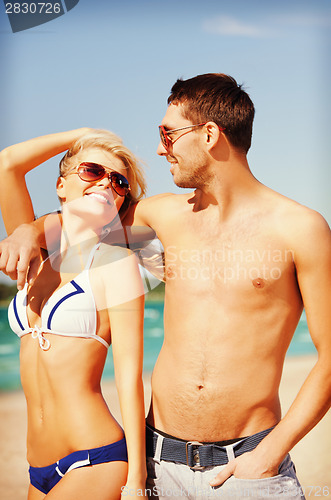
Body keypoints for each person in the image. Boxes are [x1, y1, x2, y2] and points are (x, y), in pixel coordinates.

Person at [1, 74, 331, 499]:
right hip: (160, 464)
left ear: (209, 134)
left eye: (168, 134)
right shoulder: (160, 218)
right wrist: (29, 230)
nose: (161, 148)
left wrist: (271, 453)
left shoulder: (300, 230)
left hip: (247, 467)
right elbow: (88, 220)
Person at [0, 128, 149, 499]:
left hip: (96, 460)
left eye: (119, 182)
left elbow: (130, 379)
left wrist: (137, 481)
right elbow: (8, 165)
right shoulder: (33, 254)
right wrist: (84, 134)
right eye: (92, 171)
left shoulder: (116, 263)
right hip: (37, 470)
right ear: (61, 186)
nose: (107, 184)